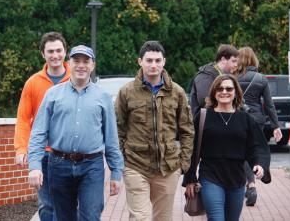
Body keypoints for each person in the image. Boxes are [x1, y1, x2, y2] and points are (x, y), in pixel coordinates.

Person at [28, 45, 124, 221]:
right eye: (76, 61)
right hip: (58, 163)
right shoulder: (52, 95)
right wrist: (35, 166)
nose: (81, 65)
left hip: (91, 166)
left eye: (85, 61)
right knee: (63, 217)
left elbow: (111, 138)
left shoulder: (103, 97)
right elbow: (38, 132)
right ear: (69, 64)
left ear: (92, 65)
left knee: (91, 216)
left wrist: (116, 172)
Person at [115, 41, 195, 221]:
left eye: (157, 60)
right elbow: (117, 128)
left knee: (163, 219)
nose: (153, 65)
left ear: (164, 61)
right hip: (136, 165)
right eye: (149, 60)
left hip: (168, 168)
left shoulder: (176, 92)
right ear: (140, 61)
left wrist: (184, 162)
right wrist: (121, 159)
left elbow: (187, 130)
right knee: (140, 218)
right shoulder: (127, 92)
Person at [184, 74, 271, 221]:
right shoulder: (203, 116)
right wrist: (190, 178)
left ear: (236, 92)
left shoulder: (246, 119)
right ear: (214, 92)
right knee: (216, 218)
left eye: (229, 88)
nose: (224, 91)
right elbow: (191, 150)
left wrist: (259, 164)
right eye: (220, 88)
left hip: (236, 179)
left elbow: (257, 146)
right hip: (210, 176)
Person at [14, 32, 70, 221]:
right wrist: (21, 148)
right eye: (50, 51)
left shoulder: (76, 79)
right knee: (47, 205)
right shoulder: (33, 83)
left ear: (65, 51)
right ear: (43, 54)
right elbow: (23, 118)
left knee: (68, 203)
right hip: (43, 154)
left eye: (59, 50)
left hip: (68, 154)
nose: (55, 55)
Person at [236, 46, 282, 206]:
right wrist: (276, 126)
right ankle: (257, 177)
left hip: (239, 118)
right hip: (257, 120)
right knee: (253, 150)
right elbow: (269, 105)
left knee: (241, 152)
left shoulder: (233, 77)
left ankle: (251, 185)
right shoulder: (261, 79)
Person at [190, 44, 239, 116]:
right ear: (223, 59)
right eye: (233, 61)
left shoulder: (224, 76)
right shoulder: (205, 76)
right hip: (205, 122)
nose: (236, 65)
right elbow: (204, 101)